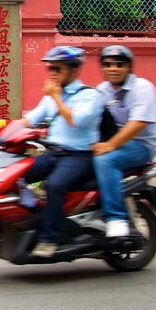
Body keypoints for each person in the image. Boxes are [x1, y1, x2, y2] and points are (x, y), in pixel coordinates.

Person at [21, 46, 103, 258]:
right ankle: (33, 221)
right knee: (16, 173)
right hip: (53, 154)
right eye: (51, 68)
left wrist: (57, 97)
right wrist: (5, 129)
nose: (52, 73)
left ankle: (49, 239)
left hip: (78, 157)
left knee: (55, 185)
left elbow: (76, 120)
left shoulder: (89, 96)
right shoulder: (51, 96)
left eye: (58, 68)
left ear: (74, 70)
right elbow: (33, 117)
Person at [93, 45, 156, 238]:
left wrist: (109, 145)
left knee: (105, 161)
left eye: (119, 64)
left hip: (140, 146)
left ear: (129, 67)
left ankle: (116, 218)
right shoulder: (101, 90)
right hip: (113, 142)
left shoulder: (142, 88)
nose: (113, 69)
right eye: (107, 64)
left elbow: (137, 123)